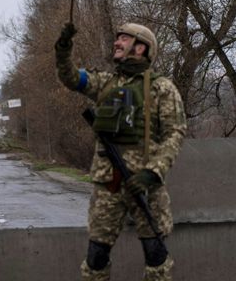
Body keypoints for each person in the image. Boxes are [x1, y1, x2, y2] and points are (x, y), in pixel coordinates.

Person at [54, 22, 186, 281]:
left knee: (156, 256)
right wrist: (63, 47)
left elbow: (175, 133)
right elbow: (70, 77)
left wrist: (153, 172)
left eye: (124, 39)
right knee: (96, 258)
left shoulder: (162, 88)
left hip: (146, 187)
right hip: (109, 184)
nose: (117, 42)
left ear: (140, 47)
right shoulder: (105, 83)